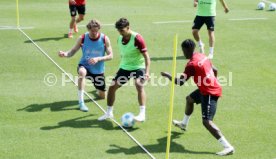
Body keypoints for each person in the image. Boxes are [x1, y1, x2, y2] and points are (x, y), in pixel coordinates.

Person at [161, 39, 234, 156]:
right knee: (189, 99)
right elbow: (215, 70)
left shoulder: (191, 65)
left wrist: (168, 75)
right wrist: (212, 81)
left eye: (183, 50)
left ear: (187, 50)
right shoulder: (201, 55)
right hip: (206, 88)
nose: (183, 53)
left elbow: (180, 82)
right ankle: (184, 124)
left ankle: (227, 146)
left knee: (207, 122)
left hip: (209, 92)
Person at [98, 18, 150, 122]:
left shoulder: (137, 38)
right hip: (125, 67)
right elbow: (125, 55)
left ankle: (142, 114)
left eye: (122, 30)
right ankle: (109, 113)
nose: (120, 32)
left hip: (138, 66)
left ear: (128, 28)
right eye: (118, 30)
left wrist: (147, 73)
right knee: (112, 87)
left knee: (139, 85)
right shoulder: (119, 39)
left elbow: (147, 57)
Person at [58, 19, 113, 112]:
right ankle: (81, 103)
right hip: (84, 65)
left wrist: (98, 59)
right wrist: (65, 54)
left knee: (102, 96)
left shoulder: (104, 39)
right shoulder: (82, 38)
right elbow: (72, 52)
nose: (95, 33)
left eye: (96, 30)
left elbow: (111, 56)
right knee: (82, 72)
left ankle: (97, 91)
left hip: (98, 70)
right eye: (92, 31)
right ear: (88, 29)